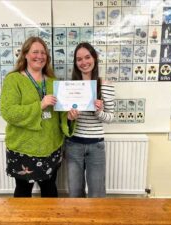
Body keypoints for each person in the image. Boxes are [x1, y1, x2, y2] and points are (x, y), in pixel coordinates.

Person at [0, 37, 77, 197]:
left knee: (50, 190)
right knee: (23, 192)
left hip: (51, 148)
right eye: (35, 52)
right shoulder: (13, 80)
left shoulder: (53, 82)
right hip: (23, 149)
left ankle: (49, 221)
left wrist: (69, 117)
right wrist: (40, 105)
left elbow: (60, 114)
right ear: (25, 55)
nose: (39, 56)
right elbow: (8, 112)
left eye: (43, 53)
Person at [65, 42, 115, 198]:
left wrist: (99, 111)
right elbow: (62, 120)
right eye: (79, 59)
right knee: (74, 193)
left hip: (96, 145)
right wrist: (69, 117)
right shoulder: (70, 87)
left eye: (87, 57)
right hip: (73, 144)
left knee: (97, 193)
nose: (84, 62)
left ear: (94, 58)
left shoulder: (105, 85)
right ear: (75, 63)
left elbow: (110, 118)